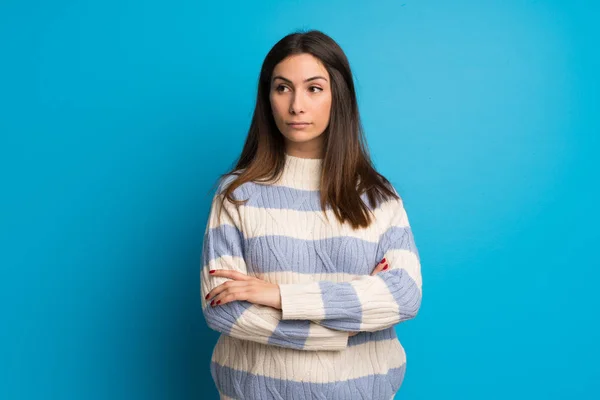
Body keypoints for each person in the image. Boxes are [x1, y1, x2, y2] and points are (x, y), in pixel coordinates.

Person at [200, 29, 422, 400]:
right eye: (282, 88)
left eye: (314, 88)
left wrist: (280, 296)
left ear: (339, 96)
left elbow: (403, 295)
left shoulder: (377, 195)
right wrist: (342, 328)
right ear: (267, 98)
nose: (296, 106)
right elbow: (225, 311)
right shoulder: (236, 194)